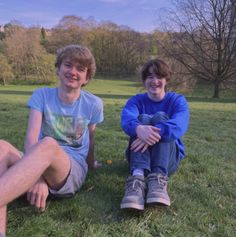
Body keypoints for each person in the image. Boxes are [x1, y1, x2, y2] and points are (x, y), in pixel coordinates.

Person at [0, 44, 103, 236]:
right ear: (58, 68)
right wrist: (37, 178)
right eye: (68, 65)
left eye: (80, 69)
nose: (73, 72)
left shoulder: (93, 104)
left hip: (69, 168)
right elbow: (31, 139)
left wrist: (91, 164)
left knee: (48, 144)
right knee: (1, 147)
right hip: (36, 159)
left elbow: (91, 139)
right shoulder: (42, 95)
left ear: (87, 77)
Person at [120, 58, 189, 210]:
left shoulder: (177, 100)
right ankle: (137, 180)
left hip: (167, 160)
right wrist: (139, 129)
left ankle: (158, 180)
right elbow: (126, 119)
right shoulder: (136, 101)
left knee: (160, 117)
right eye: (150, 77)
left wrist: (148, 136)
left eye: (159, 77)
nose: (155, 81)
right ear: (144, 80)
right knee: (143, 119)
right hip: (138, 160)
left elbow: (179, 124)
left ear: (166, 80)